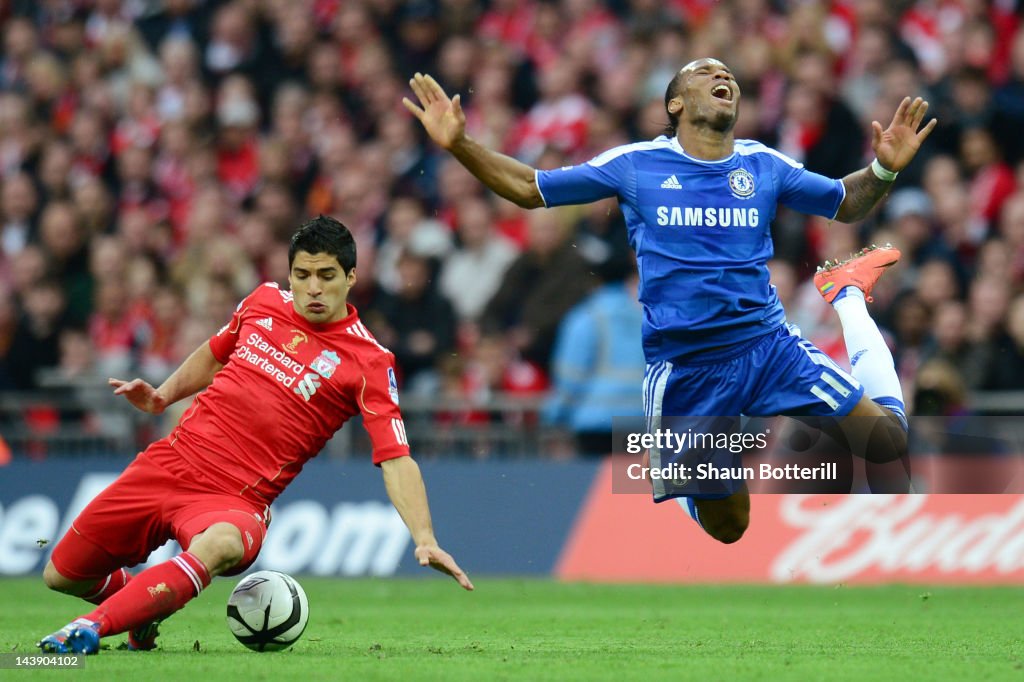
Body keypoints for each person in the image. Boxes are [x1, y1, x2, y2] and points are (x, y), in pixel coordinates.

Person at [403, 58, 936, 543]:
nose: (723, 76)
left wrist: (884, 170)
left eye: (728, 73)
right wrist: (460, 145)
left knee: (888, 444)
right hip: (688, 369)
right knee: (731, 527)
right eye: (704, 73)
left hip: (769, 346)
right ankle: (687, 479)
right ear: (675, 103)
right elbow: (529, 187)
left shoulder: (763, 164)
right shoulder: (636, 165)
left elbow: (845, 203)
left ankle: (845, 294)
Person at [37, 216, 473, 655]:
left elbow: (396, 457)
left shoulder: (370, 361)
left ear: (351, 277)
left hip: (236, 499)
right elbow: (215, 352)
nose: (314, 287)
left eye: (327, 276)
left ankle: (89, 628)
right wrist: (162, 396)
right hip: (169, 462)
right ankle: (141, 606)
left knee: (221, 544)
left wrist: (424, 538)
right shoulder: (262, 301)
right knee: (63, 574)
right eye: (303, 275)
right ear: (290, 275)